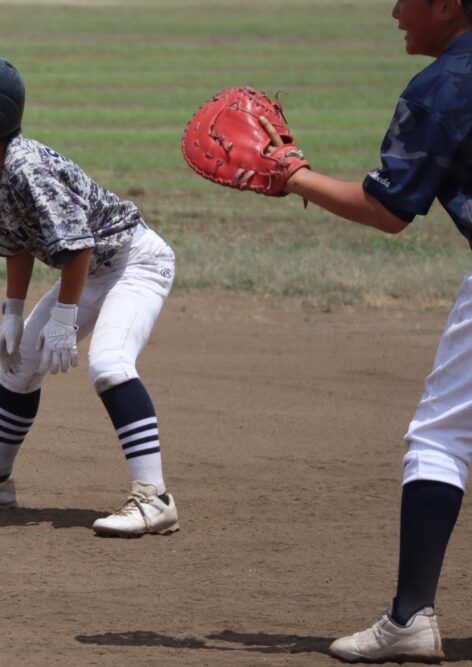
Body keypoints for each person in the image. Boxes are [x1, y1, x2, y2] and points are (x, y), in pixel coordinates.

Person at [262, 0, 472, 661]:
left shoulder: (446, 83)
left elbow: (388, 209)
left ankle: (410, 617)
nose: (394, 10)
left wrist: (289, 174)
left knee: (439, 438)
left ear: (448, 4)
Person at [0, 48, 180, 538]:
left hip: (134, 263)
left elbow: (78, 247)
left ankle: (154, 499)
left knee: (109, 364)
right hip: (91, 268)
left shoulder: (29, 168)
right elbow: (17, 240)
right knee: (20, 362)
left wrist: (65, 318)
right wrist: (13, 313)